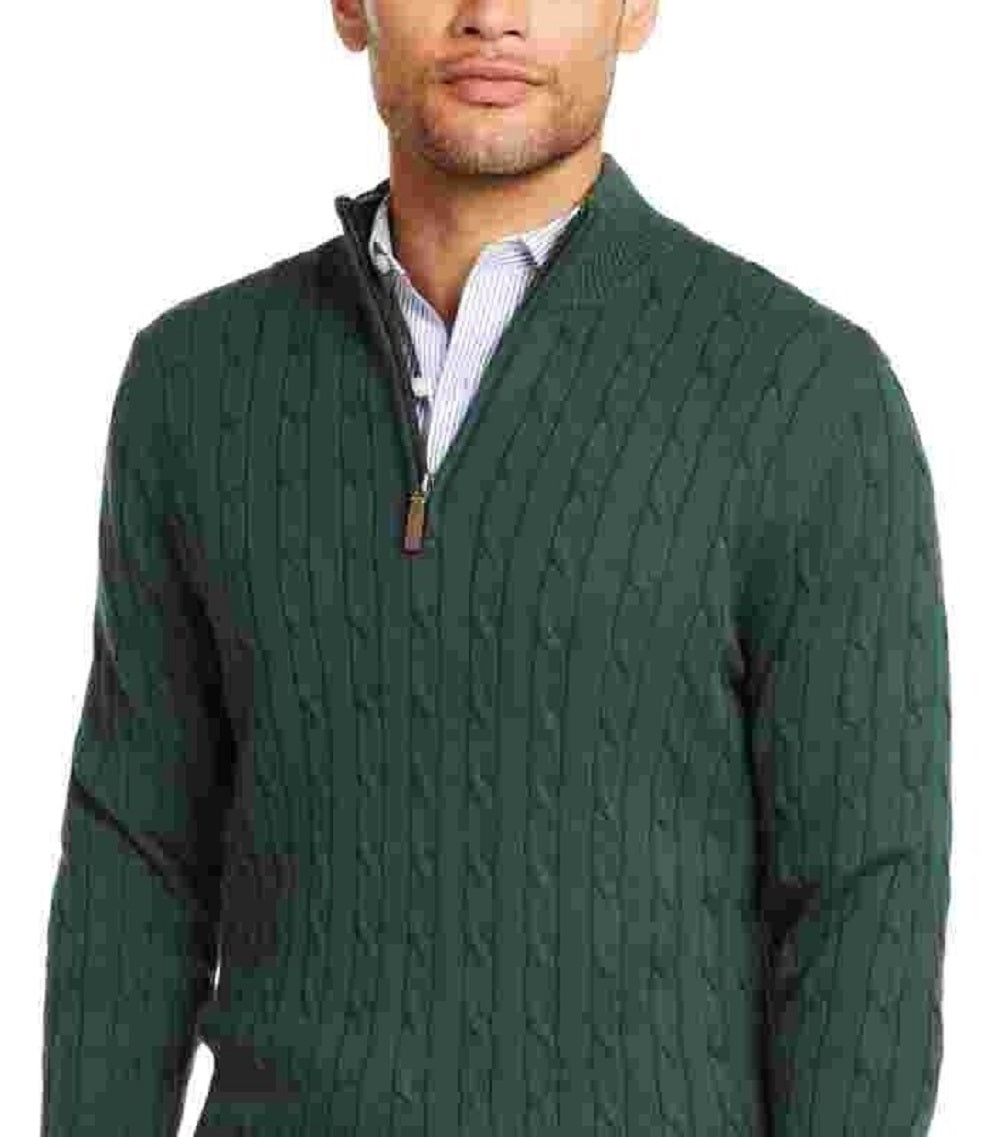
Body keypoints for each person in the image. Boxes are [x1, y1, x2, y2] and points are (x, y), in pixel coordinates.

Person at [40, 2, 951, 1134]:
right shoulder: (196, 385)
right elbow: (135, 865)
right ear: (349, 5)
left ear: (636, 8)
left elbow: (866, 903)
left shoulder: (808, 396)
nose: (493, 15)